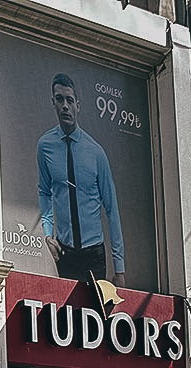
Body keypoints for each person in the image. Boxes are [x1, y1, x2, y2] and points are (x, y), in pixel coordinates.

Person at [36, 72, 126, 286]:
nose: (65, 106)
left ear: (78, 105)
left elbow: (111, 208)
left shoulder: (95, 152)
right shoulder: (45, 146)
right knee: (69, 316)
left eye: (69, 100)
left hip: (94, 252)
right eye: (60, 99)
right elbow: (44, 192)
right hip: (65, 253)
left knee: (96, 316)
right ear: (53, 103)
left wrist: (119, 268)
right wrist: (48, 235)